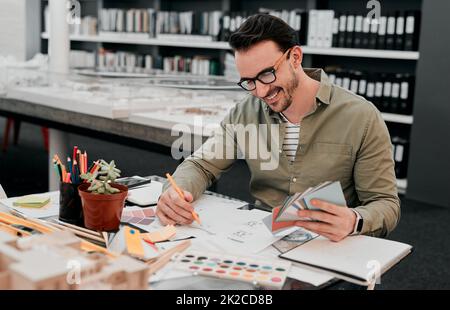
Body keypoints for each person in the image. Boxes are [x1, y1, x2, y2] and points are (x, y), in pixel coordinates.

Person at [156, 14, 400, 241]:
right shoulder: (245, 112)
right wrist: (176, 193)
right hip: (260, 239)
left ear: (295, 57)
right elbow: (201, 164)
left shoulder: (361, 117)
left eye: (266, 75)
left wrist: (354, 220)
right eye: (249, 82)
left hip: (328, 245)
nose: (261, 92)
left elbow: (385, 203)